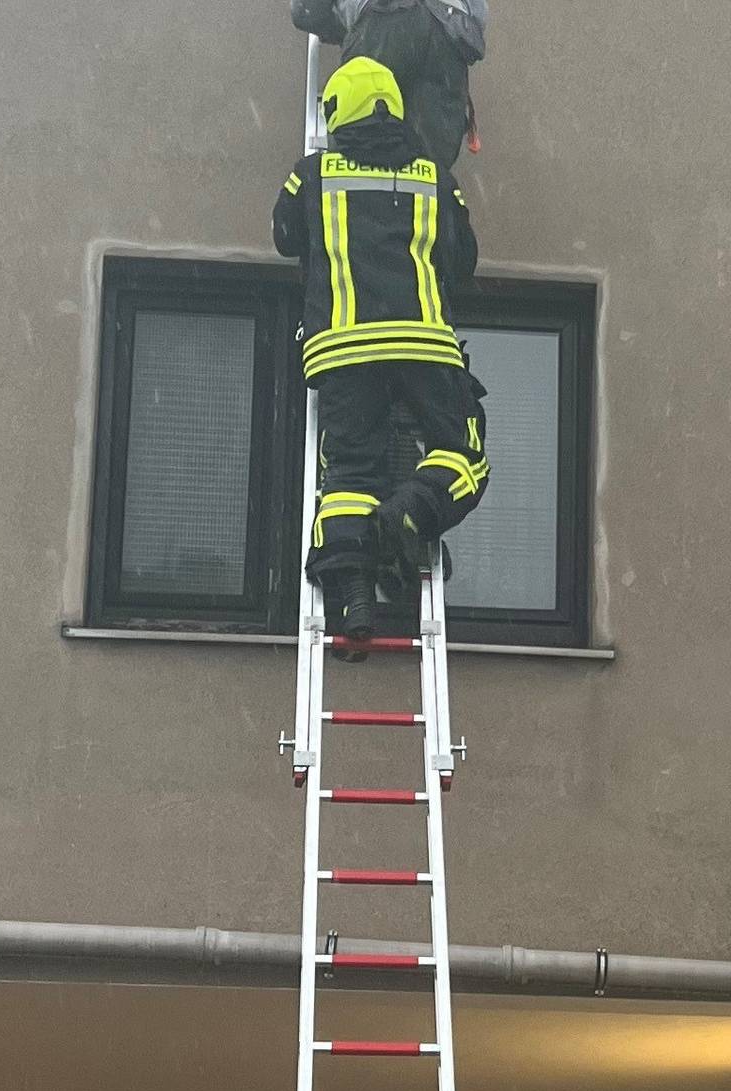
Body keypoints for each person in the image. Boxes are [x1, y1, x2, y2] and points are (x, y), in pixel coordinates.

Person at [272, 57, 489, 653]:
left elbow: (285, 236)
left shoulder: (312, 175)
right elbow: (463, 261)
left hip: (343, 350)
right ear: (393, 106)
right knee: (462, 452)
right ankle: (408, 516)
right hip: (422, 345)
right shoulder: (435, 178)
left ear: (338, 112)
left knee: (349, 473)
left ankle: (355, 592)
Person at [289, 0, 485, 171]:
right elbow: (479, 16)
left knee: (356, 158)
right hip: (451, 34)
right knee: (429, 176)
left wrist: (347, 29)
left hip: (384, 21)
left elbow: (305, 11)